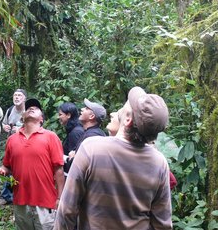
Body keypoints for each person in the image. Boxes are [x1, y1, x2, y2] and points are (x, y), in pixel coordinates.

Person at [54, 87, 172, 229]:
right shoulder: (159, 162)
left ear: (128, 120)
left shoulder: (92, 149)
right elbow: (162, 224)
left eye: (128, 104)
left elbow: (67, 210)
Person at [0, 98, 65, 230]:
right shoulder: (12, 139)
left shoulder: (51, 137)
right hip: (20, 201)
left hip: (45, 202)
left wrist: (60, 198)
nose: (31, 109)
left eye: (36, 109)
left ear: (41, 119)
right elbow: (7, 166)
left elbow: (59, 170)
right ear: (22, 118)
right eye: (28, 109)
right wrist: (2, 169)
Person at [107, 110, 178, 190]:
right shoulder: (103, 148)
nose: (112, 114)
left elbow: (171, 181)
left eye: (119, 114)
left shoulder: (147, 155)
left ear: (128, 122)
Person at [0, 89, 27, 205]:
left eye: (19, 95)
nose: (17, 97)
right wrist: (5, 127)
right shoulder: (10, 110)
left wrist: (20, 130)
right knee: (9, 168)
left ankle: (21, 195)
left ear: (24, 98)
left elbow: (38, 127)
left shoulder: (29, 111)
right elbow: (4, 123)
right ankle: (6, 195)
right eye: (15, 95)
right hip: (12, 145)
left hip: (26, 146)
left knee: (22, 170)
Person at [58, 102, 84, 175]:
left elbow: (74, 159)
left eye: (60, 114)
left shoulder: (75, 132)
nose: (58, 117)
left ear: (68, 115)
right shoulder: (74, 130)